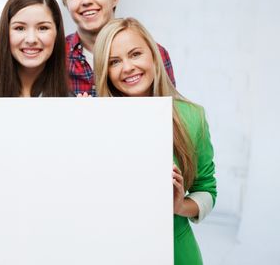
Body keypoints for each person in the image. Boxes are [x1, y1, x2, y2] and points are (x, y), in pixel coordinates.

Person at [93, 17, 217, 265]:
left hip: (175, 252)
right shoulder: (95, 121)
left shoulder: (192, 117)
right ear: (105, 71)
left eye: (135, 54)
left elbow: (207, 189)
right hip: (112, 251)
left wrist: (180, 206)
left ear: (153, 55)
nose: (127, 67)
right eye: (114, 61)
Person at [60, 0, 176, 96]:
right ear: (66, 3)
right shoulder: (56, 57)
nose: (86, 1)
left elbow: (167, 113)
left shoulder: (155, 54)